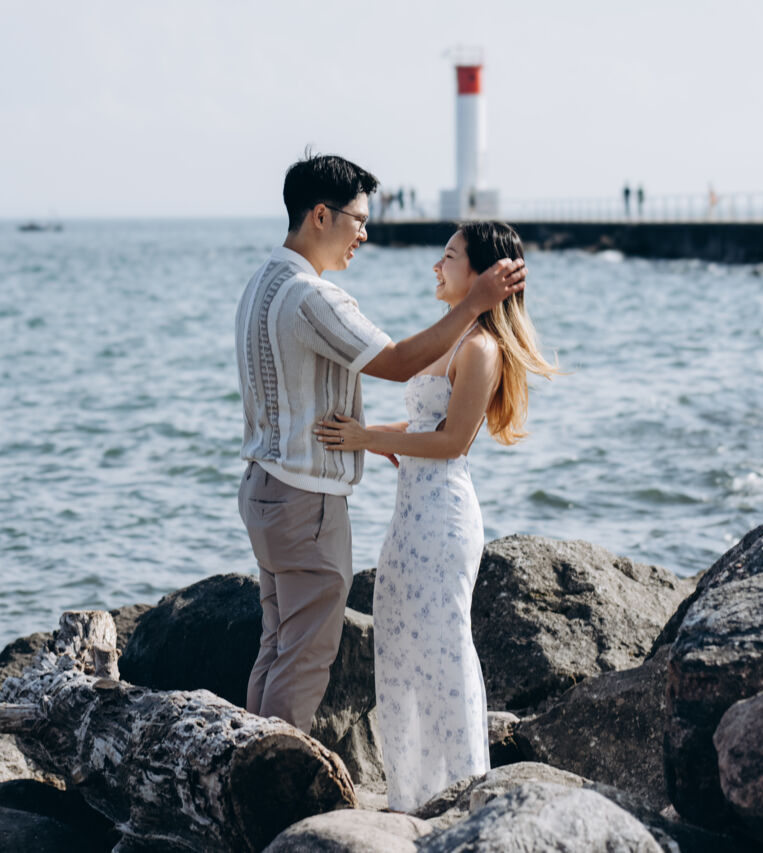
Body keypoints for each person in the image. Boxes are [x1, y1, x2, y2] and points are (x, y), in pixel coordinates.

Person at [235, 153, 527, 735]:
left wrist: (373, 437)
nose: (365, 234)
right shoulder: (311, 296)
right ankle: (267, 771)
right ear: (321, 215)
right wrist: (474, 304)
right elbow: (395, 363)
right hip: (305, 501)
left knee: (276, 645)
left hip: (263, 489)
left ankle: (243, 757)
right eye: (359, 221)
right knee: (304, 656)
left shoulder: (262, 283)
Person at [315, 221, 558, 811]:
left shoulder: (481, 348)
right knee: (399, 641)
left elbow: (453, 442)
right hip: (412, 513)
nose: (436, 266)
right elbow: (424, 427)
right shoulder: (455, 338)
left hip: (444, 515)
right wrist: (364, 435)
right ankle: (412, 793)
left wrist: (367, 437)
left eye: (449, 256)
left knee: (444, 650)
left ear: (482, 275)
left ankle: (461, 788)